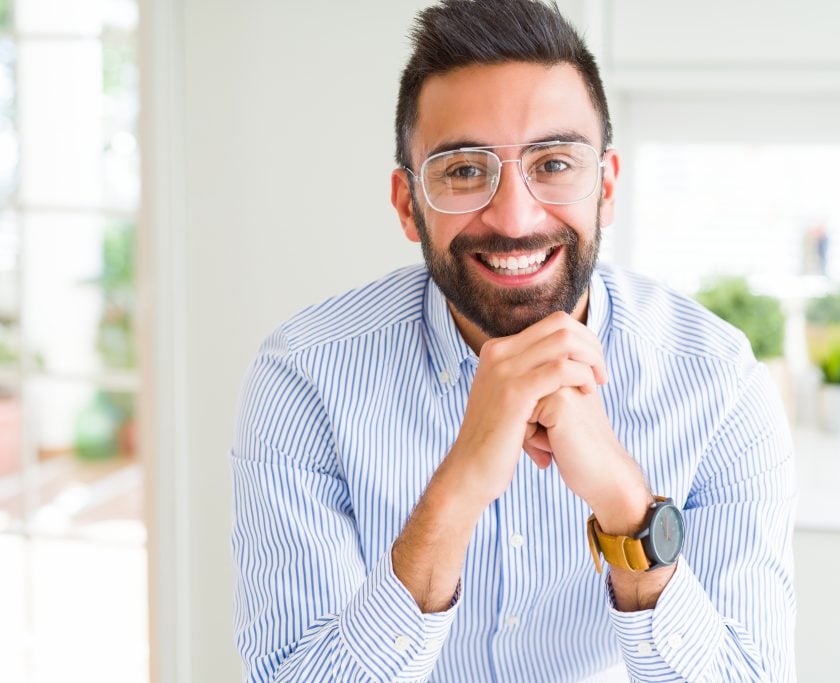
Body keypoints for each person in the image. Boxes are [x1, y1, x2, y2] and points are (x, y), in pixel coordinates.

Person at [230, 1, 797, 681]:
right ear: (409, 204)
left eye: (554, 163)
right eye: (465, 171)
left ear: (606, 187)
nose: (515, 216)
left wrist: (629, 512)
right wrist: (458, 488)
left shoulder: (720, 382)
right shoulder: (304, 379)